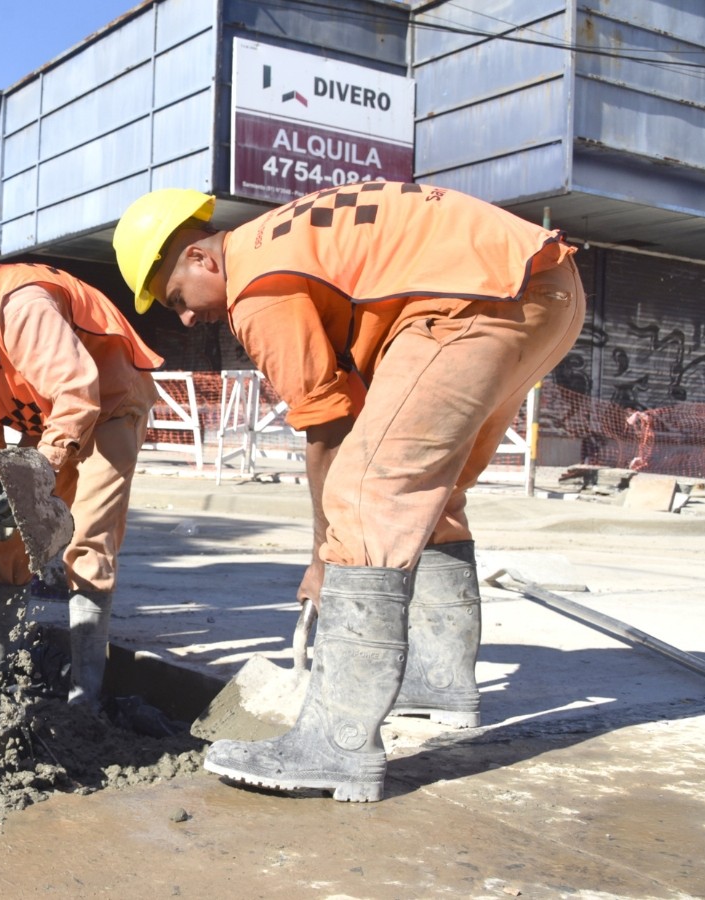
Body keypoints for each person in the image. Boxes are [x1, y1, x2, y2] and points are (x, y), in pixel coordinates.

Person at [114, 182, 585, 801]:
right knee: (430, 495)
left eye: (177, 298)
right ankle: (441, 683)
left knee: (367, 491)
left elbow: (329, 426)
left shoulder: (257, 286)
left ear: (202, 258)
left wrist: (323, 558)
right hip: (543, 289)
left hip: (475, 303)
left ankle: (335, 745)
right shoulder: (281, 241)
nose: (185, 317)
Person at [0, 203, 162, 708]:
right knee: (9, 537)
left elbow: (78, 394)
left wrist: (39, 470)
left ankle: (85, 694)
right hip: (51, 419)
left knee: (87, 538)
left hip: (109, 406)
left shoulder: (20, 305)